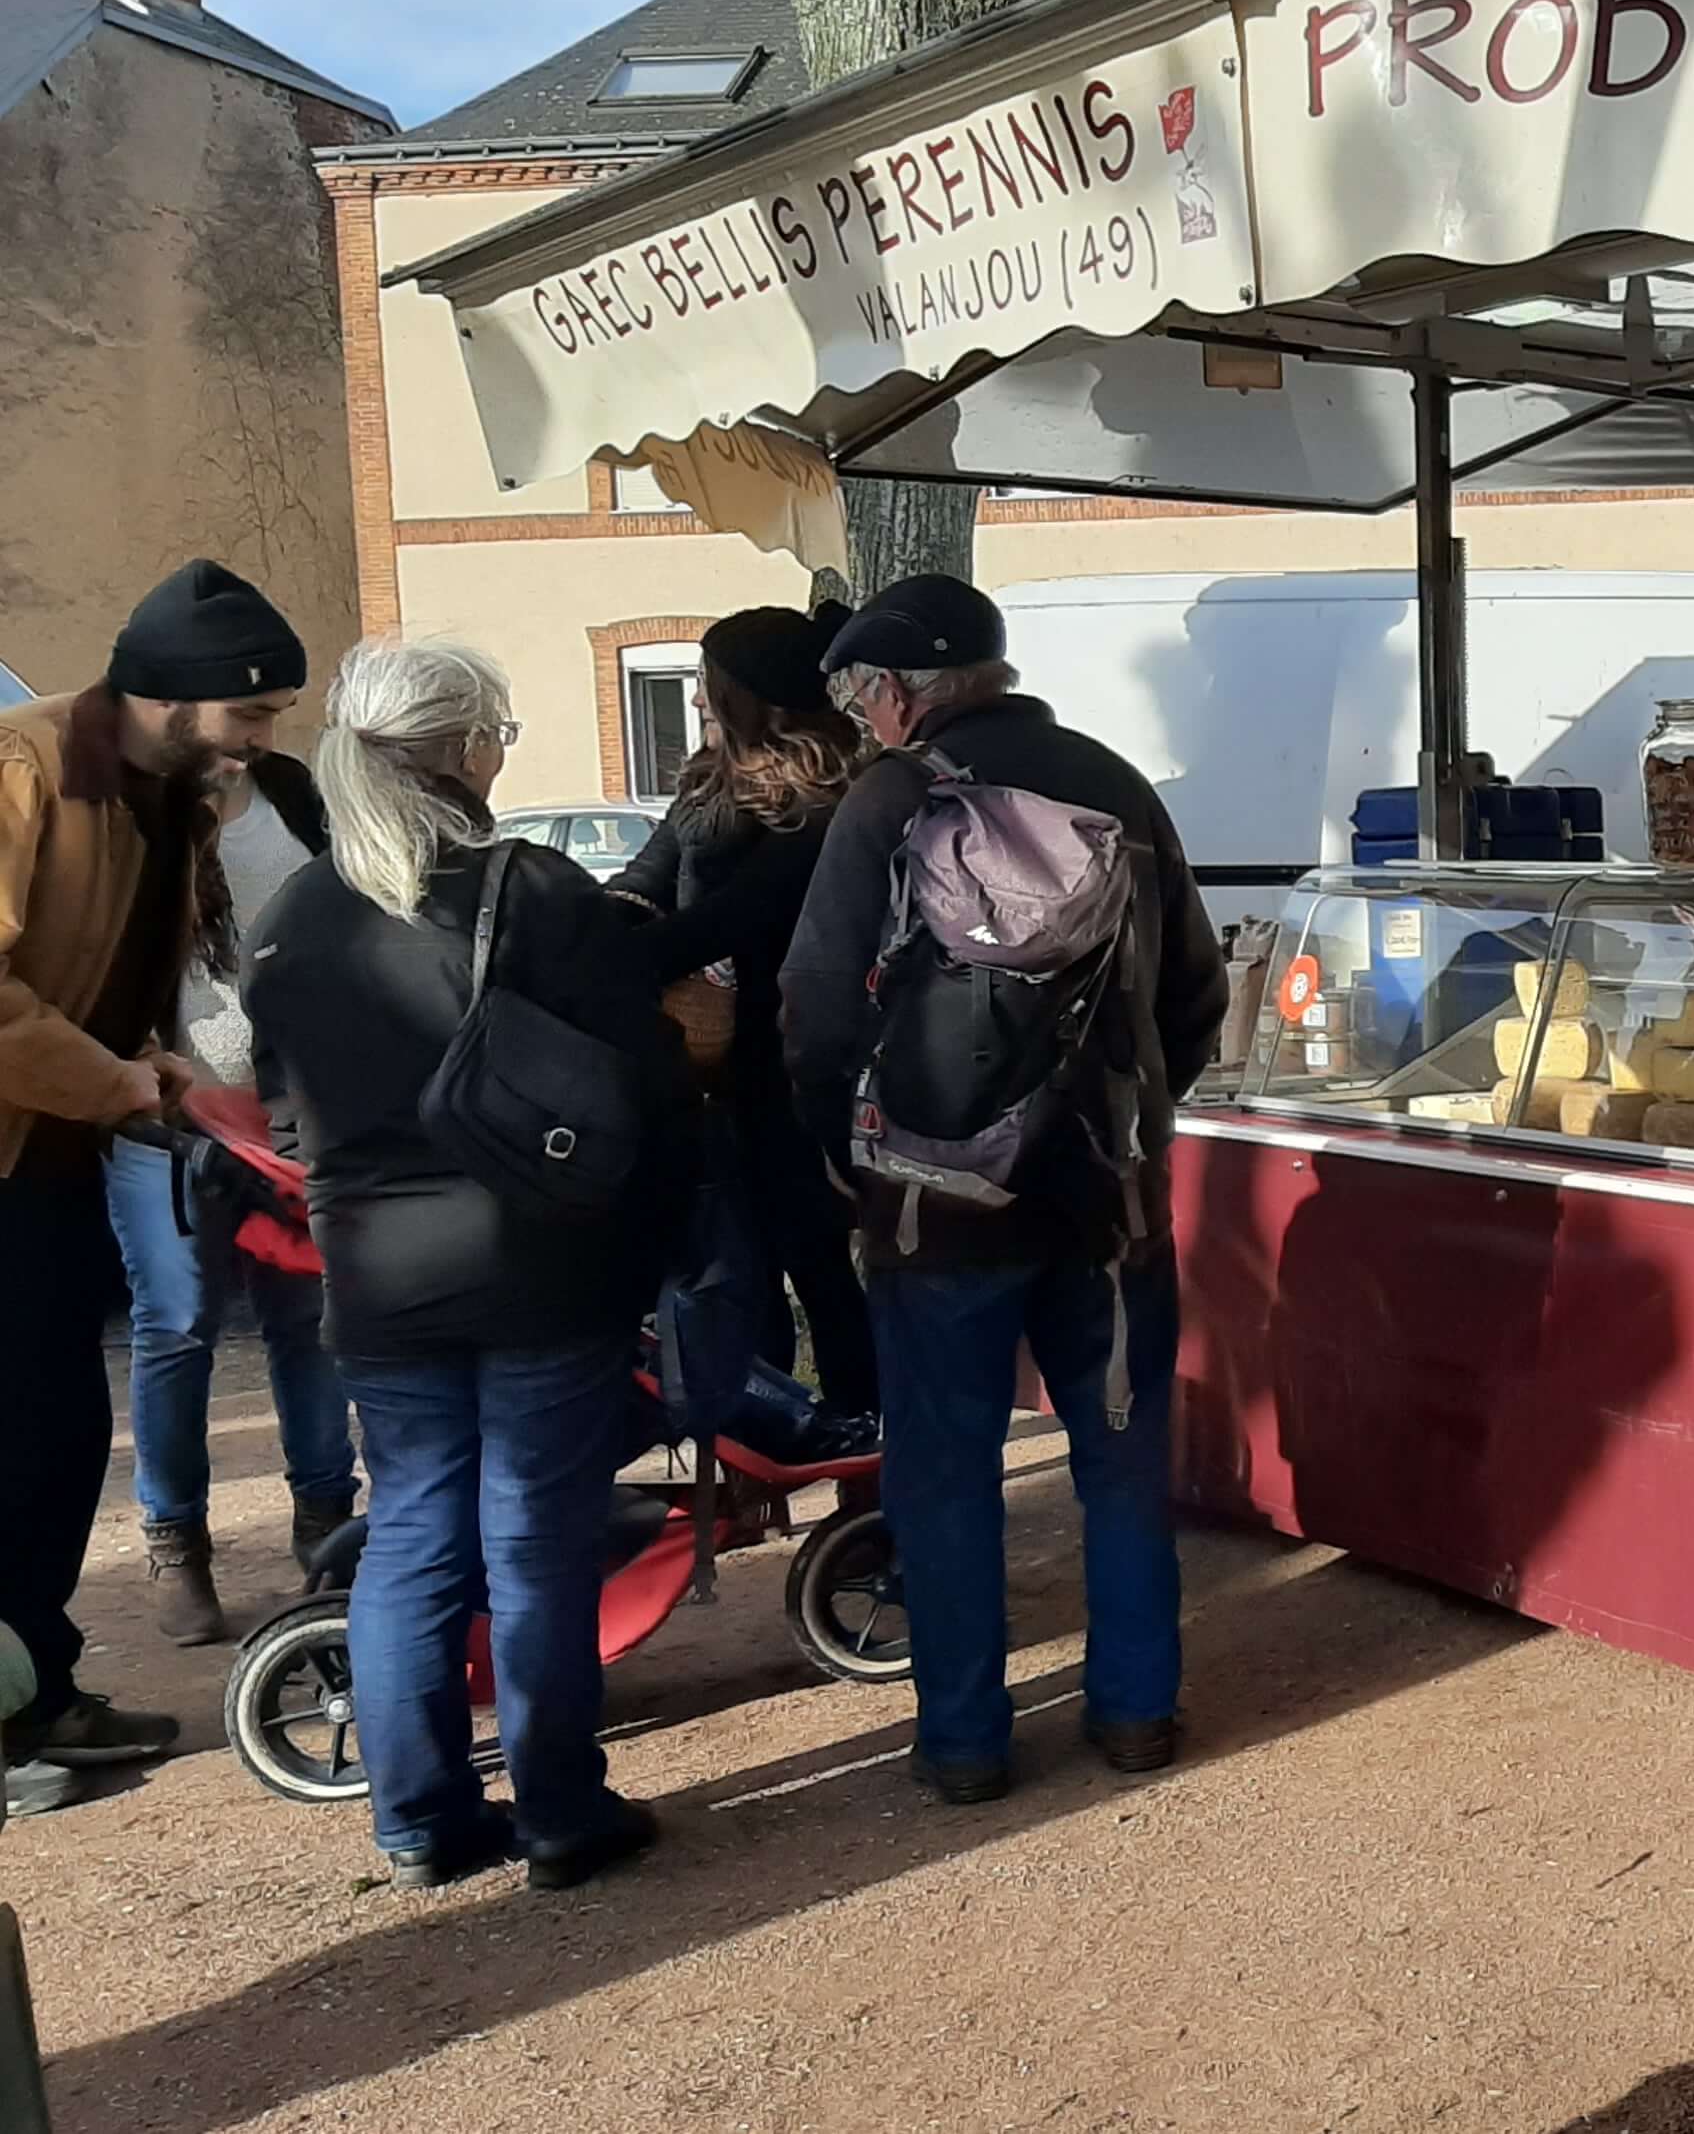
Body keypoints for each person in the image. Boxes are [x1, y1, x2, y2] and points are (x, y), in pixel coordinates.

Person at [783, 576, 1228, 1805]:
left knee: (946, 1475)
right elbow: (1195, 989)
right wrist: (1125, 1112)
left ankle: (967, 1743)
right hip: (1108, 1205)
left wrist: (853, 1156)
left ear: (895, 692)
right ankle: (1137, 1713)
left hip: (935, 1209)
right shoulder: (1116, 784)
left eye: (866, 694)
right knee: (1124, 1462)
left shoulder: (888, 798)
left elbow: (815, 1011)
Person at [245, 642, 681, 1890]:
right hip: (537, 1256)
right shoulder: (530, 891)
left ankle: (422, 1822)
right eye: (497, 729)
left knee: (414, 1538)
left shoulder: (297, 919)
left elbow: (284, 1118)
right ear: (460, 748)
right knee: (534, 1538)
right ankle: (556, 1813)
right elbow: (637, 1077)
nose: (501, 751)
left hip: (378, 1276)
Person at [0, 558, 307, 1814]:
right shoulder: (23, 772)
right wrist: (121, 1085)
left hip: (60, 1156)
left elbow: (109, 978)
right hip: (13, 1164)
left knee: (63, 1439)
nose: (263, 740)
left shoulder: (170, 794)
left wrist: (158, 1074)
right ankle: (13, 1724)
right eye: (252, 714)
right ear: (176, 697)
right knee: (16, 1443)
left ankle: (40, 1687)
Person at [111, 729, 354, 1646]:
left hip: (294, 1119)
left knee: (309, 1321)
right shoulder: (132, 818)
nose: (257, 723)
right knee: (175, 1326)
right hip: (166, 1128)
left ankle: (326, 1522)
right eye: (243, 702)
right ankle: (177, 1541)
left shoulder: (295, 796)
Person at [608, 603, 877, 1419]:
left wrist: (601, 960)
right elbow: (647, 875)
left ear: (753, 696)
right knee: (739, 1270)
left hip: (791, 1069)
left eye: (708, 683)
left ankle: (863, 1450)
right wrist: (599, 914)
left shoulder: (831, 803)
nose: (695, 699)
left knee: (819, 1269)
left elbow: (737, 919)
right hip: (707, 1075)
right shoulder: (706, 783)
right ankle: (765, 1445)